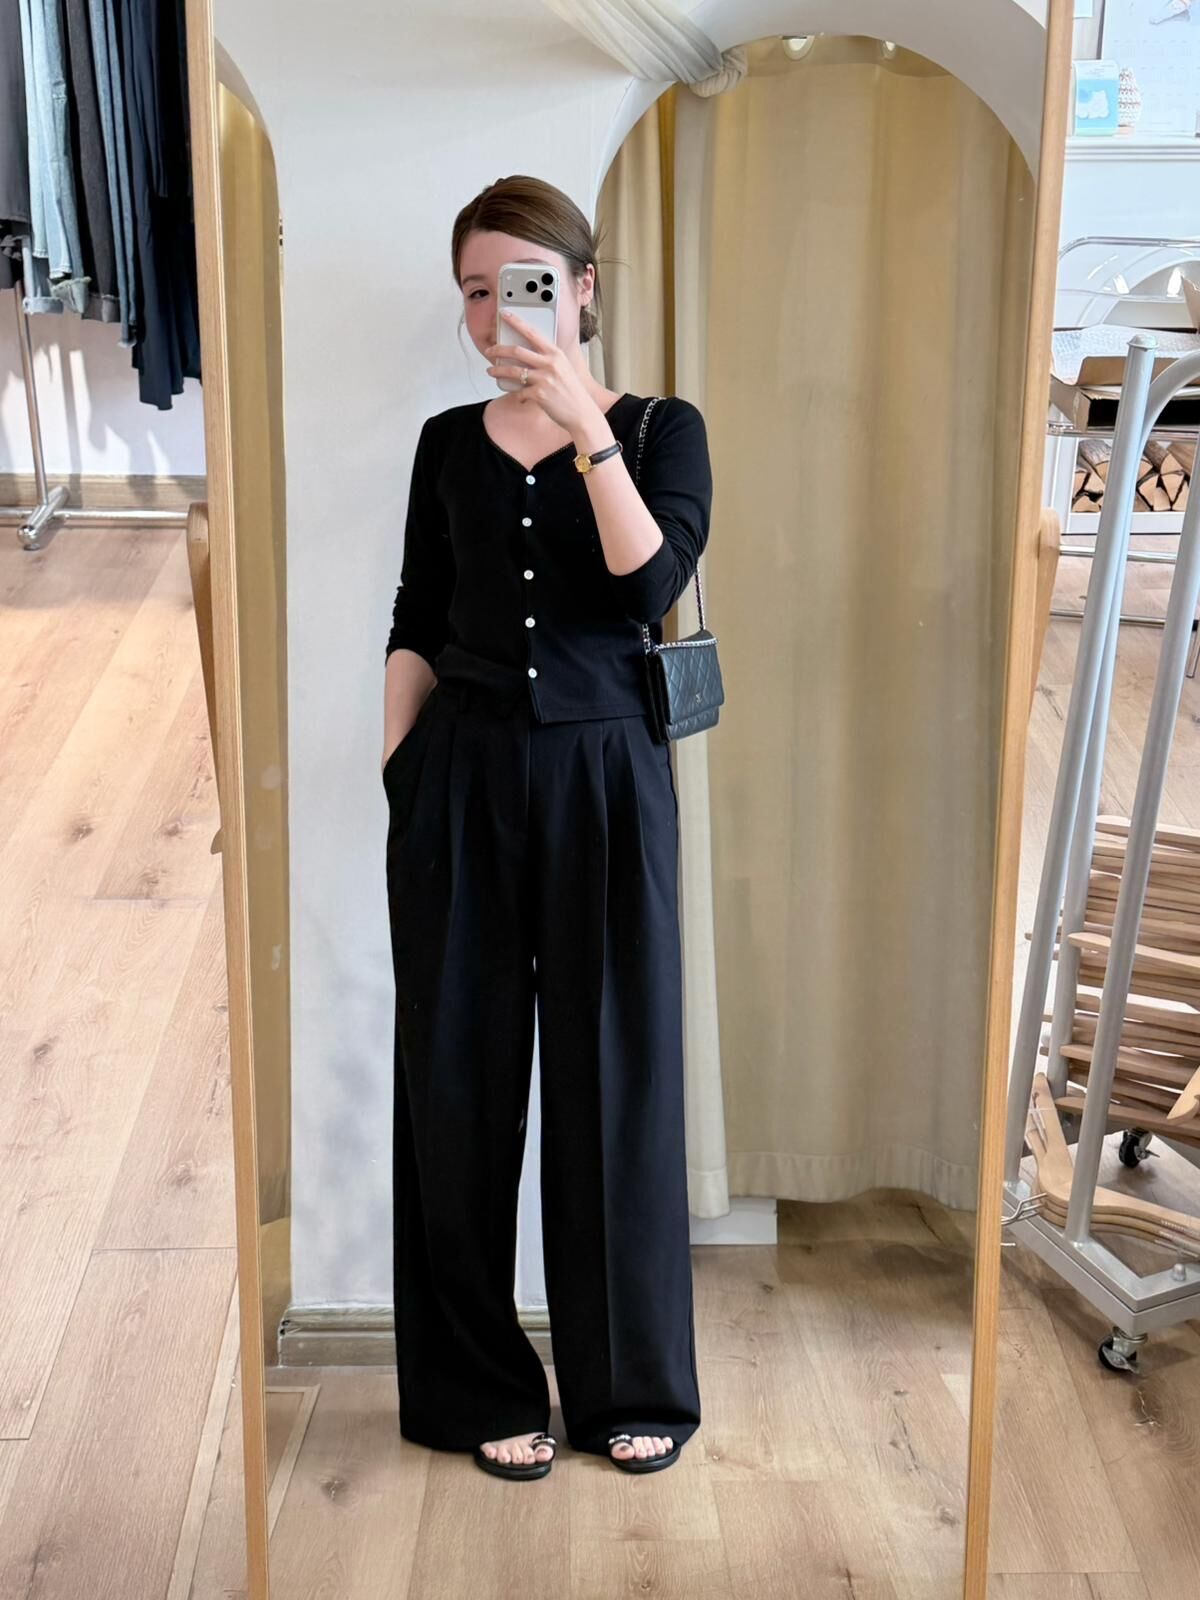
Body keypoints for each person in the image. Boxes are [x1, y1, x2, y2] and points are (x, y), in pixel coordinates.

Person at [383, 173, 712, 1481]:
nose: (493, 314)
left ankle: (630, 1383)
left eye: (518, 284)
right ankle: (475, 1383)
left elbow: (651, 584)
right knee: (456, 1087)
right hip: (459, 783)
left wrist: (587, 426)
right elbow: (417, 615)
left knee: (616, 1080)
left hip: (608, 781)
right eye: (474, 290)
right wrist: (403, 771)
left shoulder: (664, 429)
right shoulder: (442, 444)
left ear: (580, 286)